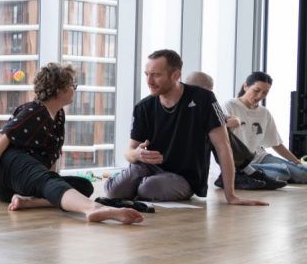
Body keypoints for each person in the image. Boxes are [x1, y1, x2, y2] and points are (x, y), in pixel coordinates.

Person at [0, 63, 144, 225]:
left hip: (20, 185)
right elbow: (0, 138)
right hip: (5, 169)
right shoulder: (35, 110)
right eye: (72, 85)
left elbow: (51, 158)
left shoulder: (58, 115)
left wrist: (52, 182)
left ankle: (28, 202)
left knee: (84, 187)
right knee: (47, 181)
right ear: (59, 90)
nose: (74, 89)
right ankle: (93, 208)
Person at [104, 49, 267, 206]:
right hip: (147, 169)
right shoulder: (143, 107)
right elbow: (129, 152)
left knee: (148, 188)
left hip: (184, 178)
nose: (149, 81)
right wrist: (136, 154)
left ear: (175, 75)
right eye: (147, 74)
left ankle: (136, 186)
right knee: (113, 192)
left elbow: (223, 146)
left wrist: (231, 196)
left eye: (156, 75)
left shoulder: (205, 99)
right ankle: (132, 183)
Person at [185, 70, 282, 190]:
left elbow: (216, 117)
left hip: (199, 143)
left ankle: (245, 172)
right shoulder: (184, 102)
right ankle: (248, 171)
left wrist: (232, 119)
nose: (210, 93)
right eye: (209, 90)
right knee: (217, 130)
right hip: (185, 147)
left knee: (219, 128)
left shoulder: (201, 102)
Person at [226, 71, 307, 184]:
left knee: (304, 173)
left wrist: (297, 162)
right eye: (256, 90)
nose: (260, 96)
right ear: (245, 86)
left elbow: (276, 143)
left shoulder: (264, 112)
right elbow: (222, 138)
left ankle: (252, 175)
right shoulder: (229, 106)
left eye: (265, 93)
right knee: (281, 172)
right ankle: (238, 173)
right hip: (240, 161)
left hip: (261, 157)